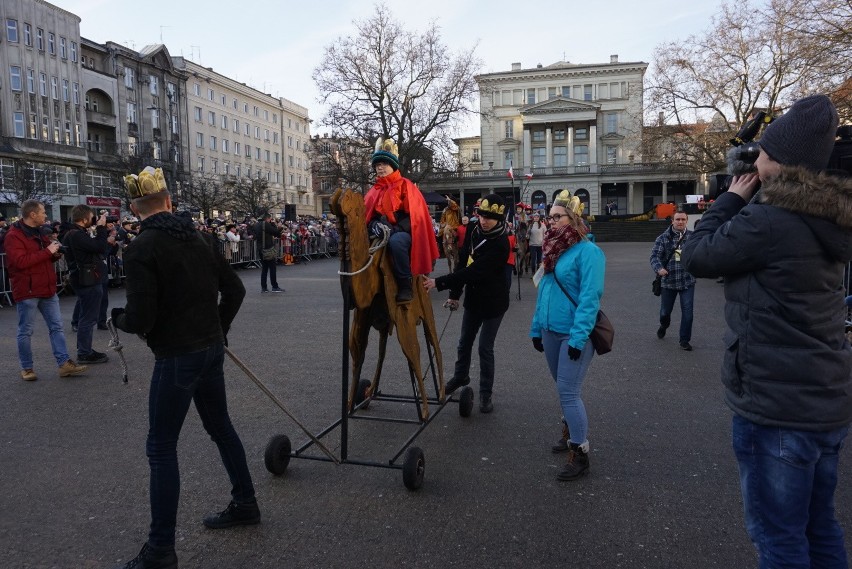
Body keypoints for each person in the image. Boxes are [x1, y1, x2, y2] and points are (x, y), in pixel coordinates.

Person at [682, 94, 852, 567]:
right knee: (820, 528)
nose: (755, 159)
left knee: (778, 539)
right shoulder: (826, 214)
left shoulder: (772, 220)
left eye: (763, 153)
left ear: (780, 162)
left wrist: (731, 197)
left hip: (777, 406)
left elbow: (697, 255)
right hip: (824, 399)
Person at [112, 167, 259, 569]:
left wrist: (118, 319)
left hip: (177, 356)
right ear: (169, 202)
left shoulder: (142, 247)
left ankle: (160, 549)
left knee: (160, 448)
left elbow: (140, 320)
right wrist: (219, 328)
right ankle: (245, 501)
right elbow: (236, 289)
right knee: (221, 428)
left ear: (133, 208)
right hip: (209, 349)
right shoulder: (202, 237)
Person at [529, 191, 605, 481]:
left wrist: (578, 338)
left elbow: (590, 298)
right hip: (549, 331)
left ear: (573, 219)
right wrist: (536, 328)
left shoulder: (589, 252)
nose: (551, 222)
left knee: (568, 392)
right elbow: (544, 292)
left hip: (574, 334)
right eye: (549, 217)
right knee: (562, 388)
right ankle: (570, 430)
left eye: (557, 217)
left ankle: (580, 452)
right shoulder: (552, 249)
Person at [423, 193, 510, 414]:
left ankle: (485, 392)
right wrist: (453, 293)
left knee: (484, 348)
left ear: (499, 219)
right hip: (474, 298)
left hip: (494, 302)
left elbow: (475, 272)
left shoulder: (500, 243)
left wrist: (438, 282)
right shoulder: (472, 230)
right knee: (464, 343)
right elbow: (463, 261)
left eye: (490, 217)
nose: (484, 220)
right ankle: (461, 376)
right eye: (482, 215)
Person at [5, 200, 87, 381]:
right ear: (32, 215)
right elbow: (19, 262)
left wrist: (54, 255)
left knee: (57, 327)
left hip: (47, 288)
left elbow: (42, 257)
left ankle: (64, 363)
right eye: (43, 212)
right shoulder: (13, 235)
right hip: (28, 290)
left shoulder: (40, 232)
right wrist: (48, 252)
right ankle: (27, 368)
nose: (46, 215)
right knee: (25, 331)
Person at [365, 137, 439, 302]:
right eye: (377, 165)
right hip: (381, 230)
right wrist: (373, 225)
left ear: (392, 165)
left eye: (383, 164)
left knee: (397, 242)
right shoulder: (373, 191)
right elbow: (368, 216)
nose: (380, 167)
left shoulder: (406, 186)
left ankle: (405, 284)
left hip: (404, 231)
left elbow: (415, 216)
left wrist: (396, 229)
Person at [63, 205, 111, 364]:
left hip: (85, 278)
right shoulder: (77, 235)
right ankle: (84, 352)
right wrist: (102, 229)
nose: (94, 220)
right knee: (89, 317)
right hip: (87, 279)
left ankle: (84, 349)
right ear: (84, 219)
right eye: (92, 217)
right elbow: (100, 246)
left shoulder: (74, 233)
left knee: (86, 316)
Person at [649, 210, 695, 350]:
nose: (680, 222)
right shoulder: (663, 238)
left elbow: (700, 253)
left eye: (683, 219)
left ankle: (684, 340)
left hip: (687, 281)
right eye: (678, 219)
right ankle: (664, 325)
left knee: (688, 313)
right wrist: (659, 269)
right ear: (672, 221)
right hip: (668, 282)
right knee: (665, 312)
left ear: (686, 221)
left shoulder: (693, 237)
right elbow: (654, 257)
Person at [255, 212, 283, 293]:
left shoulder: (256, 225)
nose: (270, 220)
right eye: (270, 219)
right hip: (268, 248)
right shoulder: (265, 224)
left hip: (260, 248)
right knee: (272, 268)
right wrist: (278, 226)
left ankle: (264, 288)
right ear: (267, 218)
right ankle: (274, 286)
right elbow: (276, 232)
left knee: (264, 269)